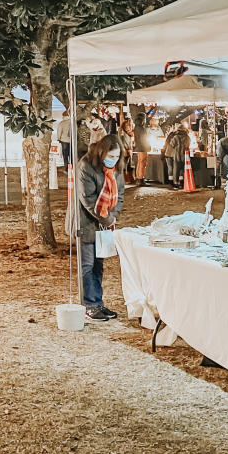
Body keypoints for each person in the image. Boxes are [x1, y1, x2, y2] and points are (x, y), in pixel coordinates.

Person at [74, 134, 125, 322]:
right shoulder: (86, 166)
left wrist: (113, 217)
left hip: (104, 226)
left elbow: (120, 196)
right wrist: (107, 219)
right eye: (110, 156)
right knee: (87, 265)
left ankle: (97, 302)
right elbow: (88, 200)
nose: (113, 160)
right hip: (86, 223)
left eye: (116, 156)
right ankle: (89, 305)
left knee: (99, 265)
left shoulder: (116, 169)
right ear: (102, 153)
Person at [163, 122, 190, 188]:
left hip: (174, 155)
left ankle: (174, 183)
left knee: (174, 169)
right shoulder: (187, 137)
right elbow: (188, 146)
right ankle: (181, 182)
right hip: (183, 155)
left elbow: (171, 145)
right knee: (181, 169)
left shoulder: (175, 136)